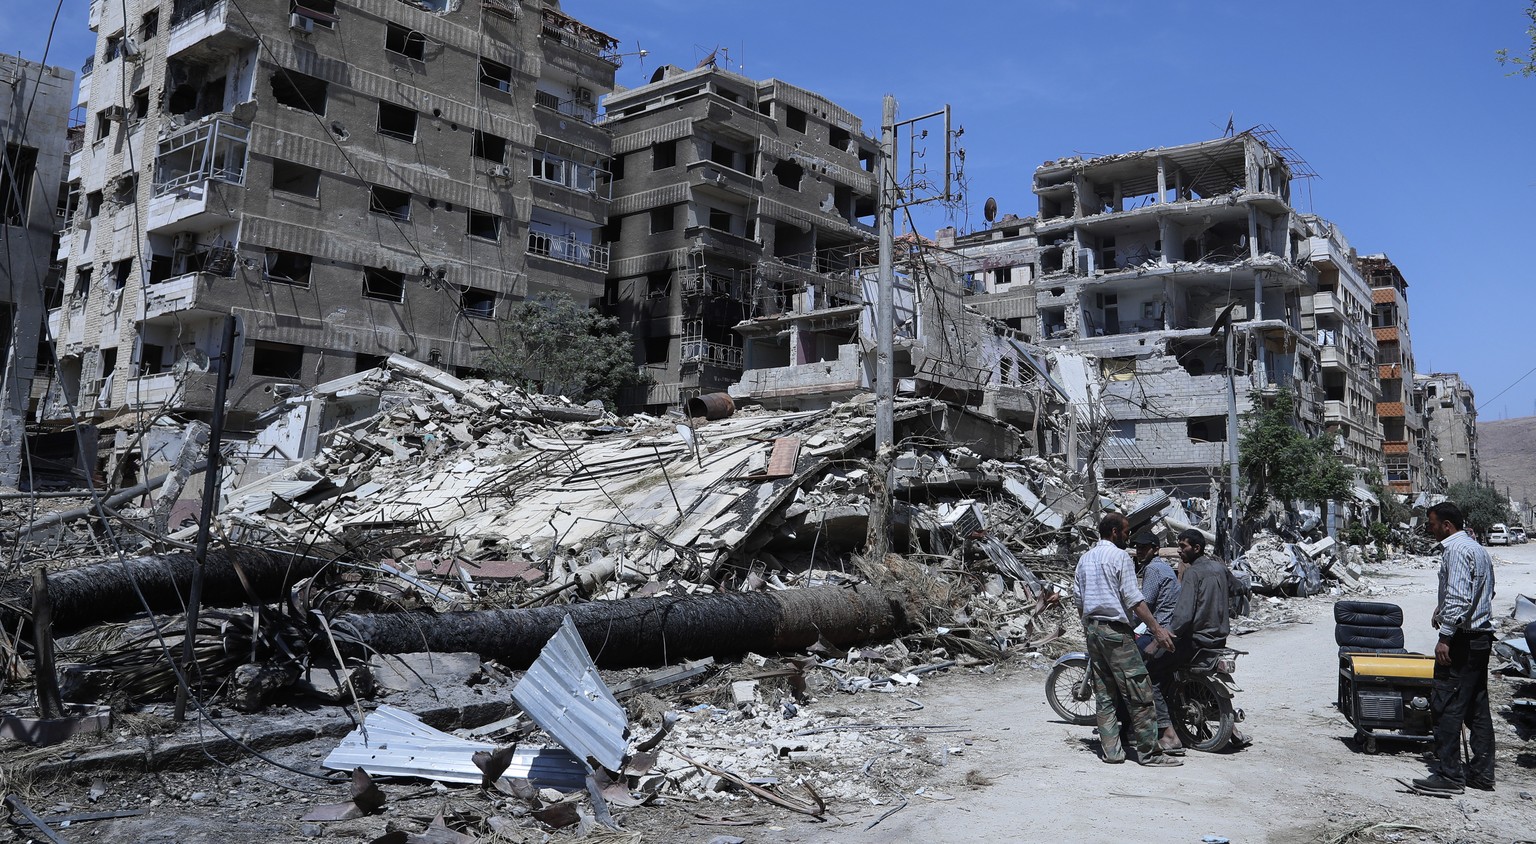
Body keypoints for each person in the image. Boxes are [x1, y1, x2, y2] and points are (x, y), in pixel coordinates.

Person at [1074, 513, 1182, 767]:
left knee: (1105, 694)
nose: (1128, 538)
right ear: (1113, 532)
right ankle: (1150, 754)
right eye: (1125, 532)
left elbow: (1078, 599)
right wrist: (1157, 629)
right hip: (1115, 632)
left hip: (1093, 630)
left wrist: (1090, 627)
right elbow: (1134, 598)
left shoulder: (1085, 558)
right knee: (1139, 691)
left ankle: (1112, 752)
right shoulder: (1120, 556)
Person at [1413, 501, 1496, 794]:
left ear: (1447, 525)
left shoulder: (1457, 551)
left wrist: (1446, 635)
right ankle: (1482, 774)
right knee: (1476, 708)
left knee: (1446, 704)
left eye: (1432, 524)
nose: (1430, 529)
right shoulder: (1476, 549)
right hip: (1480, 639)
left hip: (1462, 641)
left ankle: (1449, 776)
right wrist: (1442, 608)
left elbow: (1461, 597)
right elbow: (1481, 592)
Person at [1131, 530, 1182, 754]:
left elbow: (1145, 605)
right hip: (1173, 628)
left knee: (1141, 674)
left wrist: (1128, 622)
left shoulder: (1152, 569)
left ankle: (1163, 732)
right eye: (1137, 547)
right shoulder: (1165, 568)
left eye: (1144, 547)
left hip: (1161, 631)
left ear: (1155, 548)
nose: (1140, 550)